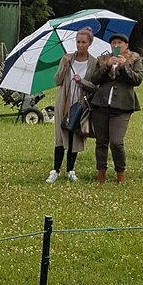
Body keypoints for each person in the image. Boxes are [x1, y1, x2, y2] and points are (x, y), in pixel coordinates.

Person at [46, 27, 97, 183]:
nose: (80, 45)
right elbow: (57, 80)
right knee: (61, 137)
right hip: (65, 102)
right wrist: (65, 65)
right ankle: (55, 170)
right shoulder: (67, 58)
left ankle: (70, 170)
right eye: (78, 42)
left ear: (89, 43)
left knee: (75, 135)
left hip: (81, 104)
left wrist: (82, 81)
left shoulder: (93, 62)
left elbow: (94, 86)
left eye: (83, 42)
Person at [89, 33, 142, 184]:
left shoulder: (134, 59)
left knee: (117, 142)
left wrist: (124, 66)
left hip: (123, 105)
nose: (116, 46)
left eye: (119, 43)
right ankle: (101, 174)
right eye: (113, 43)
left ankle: (120, 173)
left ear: (126, 45)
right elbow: (95, 79)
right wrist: (106, 66)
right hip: (101, 104)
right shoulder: (103, 59)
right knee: (101, 141)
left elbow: (137, 80)